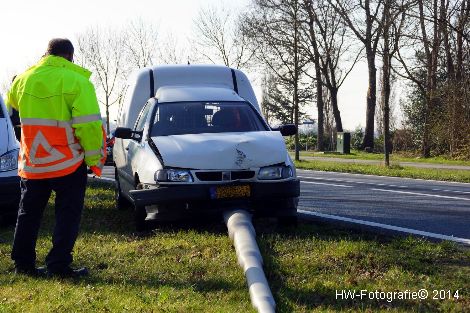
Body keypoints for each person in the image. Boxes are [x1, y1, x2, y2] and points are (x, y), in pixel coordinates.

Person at [6, 38, 106, 278]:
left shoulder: (22, 80)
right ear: (70, 56)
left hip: (33, 163)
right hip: (67, 162)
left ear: (46, 53)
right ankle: (58, 266)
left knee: (28, 213)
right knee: (67, 214)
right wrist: (94, 159)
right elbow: (89, 126)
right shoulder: (78, 82)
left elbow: (12, 108)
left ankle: (23, 265)